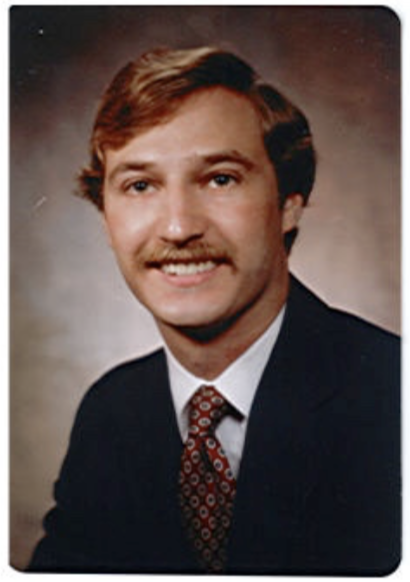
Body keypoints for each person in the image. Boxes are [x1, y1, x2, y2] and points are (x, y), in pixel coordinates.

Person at [28, 46, 400, 575]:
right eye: (140, 185)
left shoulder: (392, 394)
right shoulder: (111, 414)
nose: (179, 228)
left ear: (288, 204)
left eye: (220, 178)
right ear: (106, 219)